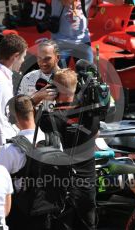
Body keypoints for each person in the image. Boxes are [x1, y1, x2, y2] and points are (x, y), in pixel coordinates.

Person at [39, 68, 100, 230]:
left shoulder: (48, 120)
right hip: (87, 189)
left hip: (62, 191)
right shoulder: (92, 116)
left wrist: (37, 99)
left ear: (55, 92)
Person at [49, 0, 125, 67]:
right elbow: (68, 1)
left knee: (89, 76)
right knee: (59, 78)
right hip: (61, 41)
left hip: (83, 41)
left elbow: (118, 2)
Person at [0, 94, 45, 189]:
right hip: (52, 203)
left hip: (23, 202)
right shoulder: (55, 141)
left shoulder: (9, 150)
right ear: (33, 112)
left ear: (14, 117)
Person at [17, 39, 60, 107]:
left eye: (47, 58)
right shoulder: (28, 77)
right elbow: (18, 108)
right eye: (39, 58)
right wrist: (37, 98)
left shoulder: (68, 80)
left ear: (57, 57)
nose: (43, 63)